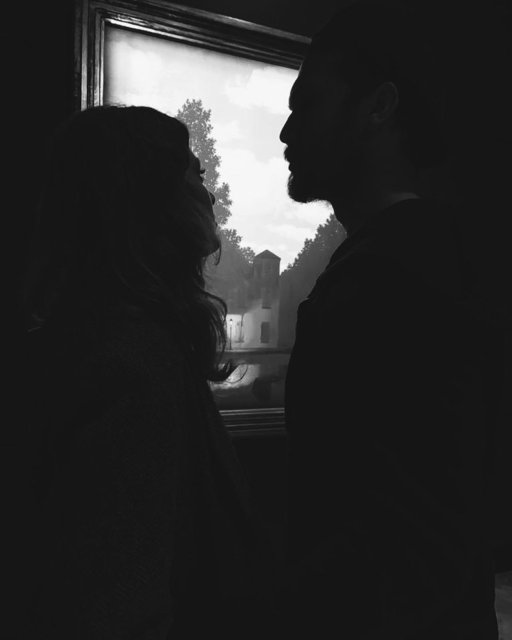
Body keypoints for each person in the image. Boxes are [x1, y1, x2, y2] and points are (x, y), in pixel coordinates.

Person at [279, 2, 506, 638]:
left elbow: (410, 535)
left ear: (379, 107)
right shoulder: (426, 258)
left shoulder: (395, 276)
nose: (287, 132)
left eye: (307, 104)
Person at [21, 105, 271, 639]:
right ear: (152, 198)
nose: (209, 195)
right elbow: (116, 599)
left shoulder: (101, 339)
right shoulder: (132, 361)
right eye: (194, 175)